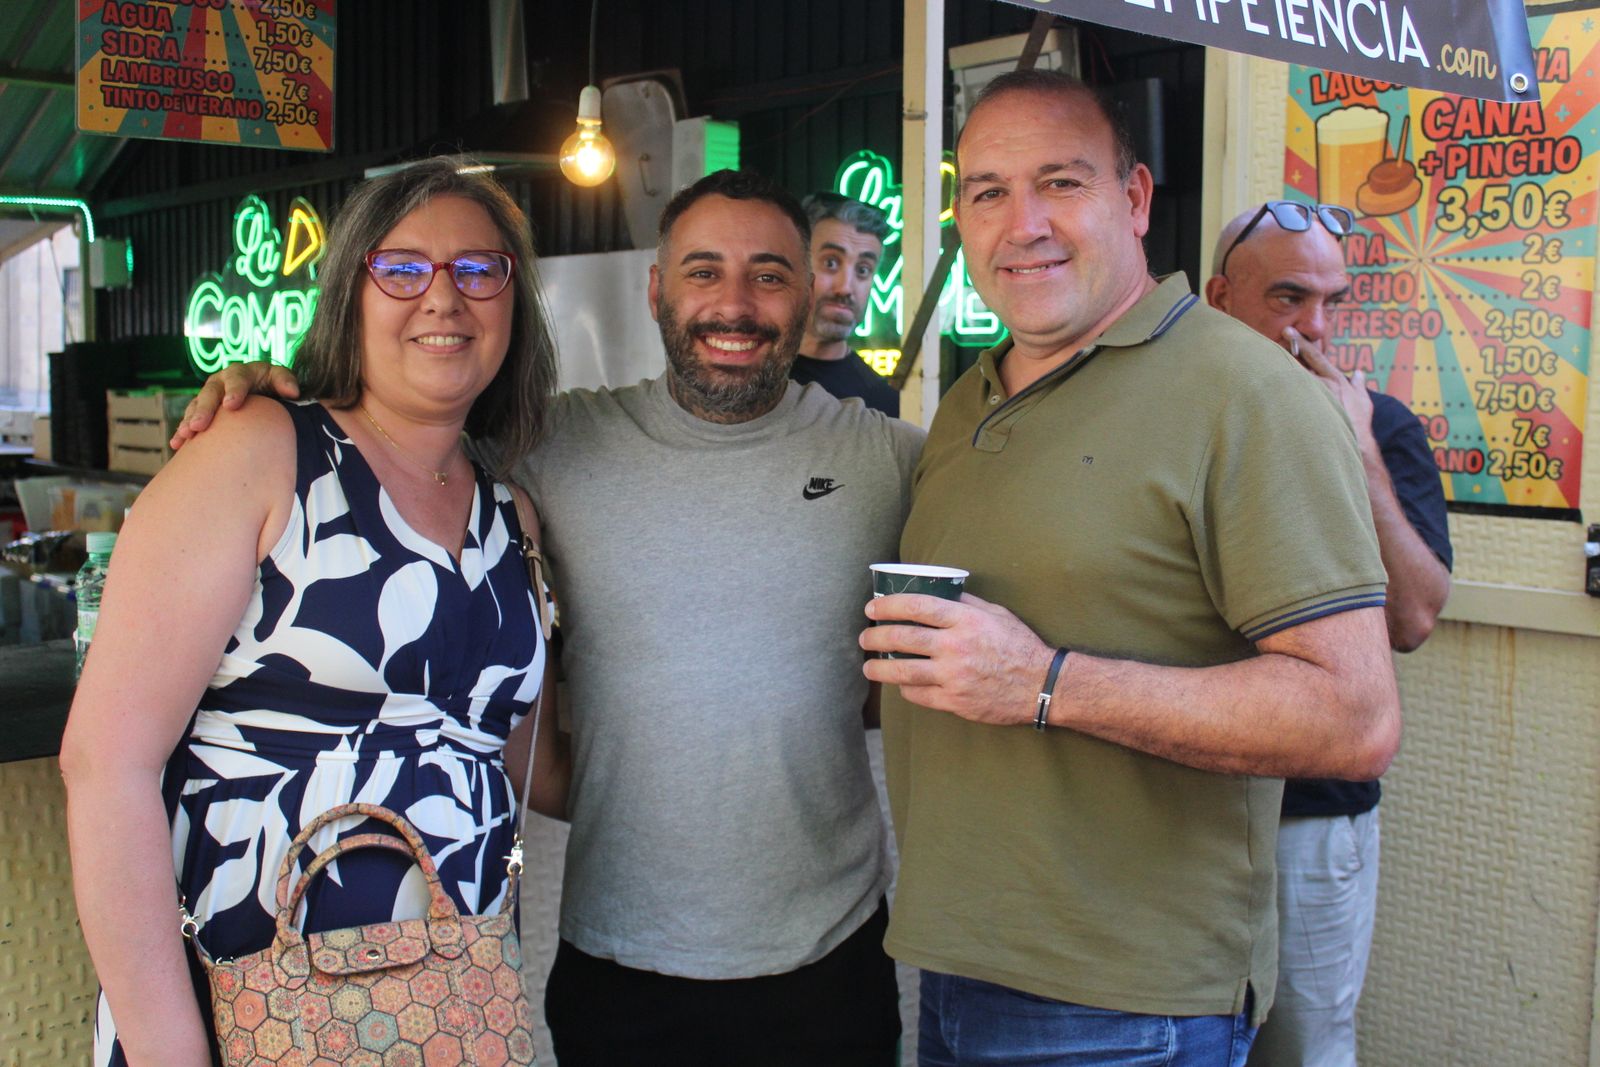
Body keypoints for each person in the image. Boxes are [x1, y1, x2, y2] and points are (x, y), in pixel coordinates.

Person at [172, 169, 923, 1067]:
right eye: (702, 271)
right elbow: (388, 428)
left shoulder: (888, 457)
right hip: (619, 959)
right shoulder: (550, 444)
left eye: (768, 274)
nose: (734, 303)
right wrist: (276, 391)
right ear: (655, 288)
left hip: (827, 957)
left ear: (809, 293)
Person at [859, 69, 1401, 1066]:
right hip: (955, 960)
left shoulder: (1244, 394)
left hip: (1126, 1004)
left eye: (1060, 182)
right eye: (986, 191)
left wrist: (1044, 682)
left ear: (1136, 198)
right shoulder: (971, 400)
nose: (1021, 222)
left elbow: (1354, 715)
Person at [61, 159, 564, 1067]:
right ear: (348, 296)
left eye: (479, 270)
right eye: (402, 268)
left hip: (444, 1009)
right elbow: (106, 765)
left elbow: (536, 767)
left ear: (514, 302)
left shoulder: (510, 515)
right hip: (249, 998)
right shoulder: (259, 453)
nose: (443, 298)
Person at [1207, 201, 1453, 1067]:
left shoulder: (1381, 426)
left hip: (1309, 815)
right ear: (1220, 298)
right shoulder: (1180, 418)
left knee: (1303, 1046)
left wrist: (1357, 456)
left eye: (1332, 300)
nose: (1315, 325)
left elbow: (1415, 617)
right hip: (1178, 805)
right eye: (1287, 297)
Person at [790, 191, 900, 415]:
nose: (845, 288)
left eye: (863, 270)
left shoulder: (880, 405)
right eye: (830, 263)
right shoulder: (751, 376)